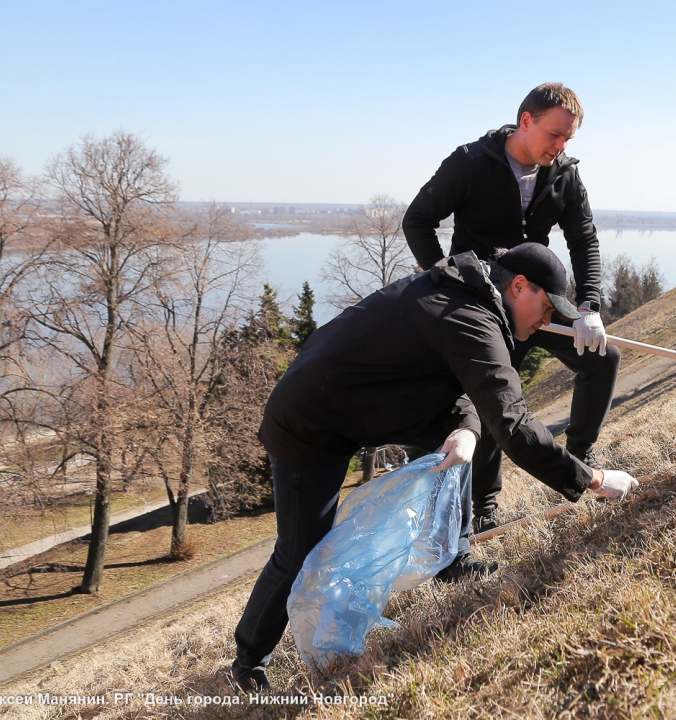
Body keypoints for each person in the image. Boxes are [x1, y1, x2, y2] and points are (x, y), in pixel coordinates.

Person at [231, 243, 639, 692]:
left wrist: (465, 426)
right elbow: (513, 425)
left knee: (460, 441)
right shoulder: (469, 314)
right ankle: (249, 661)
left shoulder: (470, 295)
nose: (547, 321)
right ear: (519, 285)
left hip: (368, 404)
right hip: (308, 420)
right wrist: (593, 480)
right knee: (301, 549)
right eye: (545, 308)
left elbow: (458, 379)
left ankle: (453, 560)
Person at [403, 83, 621, 534]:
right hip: (479, 306)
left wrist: (589, 306)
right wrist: (444, 277)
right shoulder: (470, 162)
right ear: (526, 120)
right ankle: (484, 505)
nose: (560, 147)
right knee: (489, 403)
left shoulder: (563, 173)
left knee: (603, 356)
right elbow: (417, 220)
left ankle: (580, 455)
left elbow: (584, 239)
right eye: (555, 135)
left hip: (532, 300)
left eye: (568, 140)